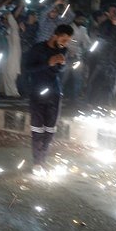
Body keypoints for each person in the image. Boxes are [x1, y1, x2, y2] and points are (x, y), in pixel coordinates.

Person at [25, 24, 74, 175]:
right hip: (37, 92)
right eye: (64, 39)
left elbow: (59, 70)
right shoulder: (38, 48)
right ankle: (37, 162)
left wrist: (61, 64)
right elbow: (27, 68)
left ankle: (43, 159)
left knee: (50, 130)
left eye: (68, 41)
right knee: (37, 129)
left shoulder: (63, 50)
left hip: (54, 93)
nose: (65, 43)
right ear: (55, 35)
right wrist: (48, 62)